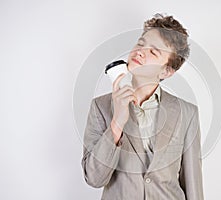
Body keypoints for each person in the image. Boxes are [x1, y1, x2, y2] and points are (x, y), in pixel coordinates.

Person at [81, 13, 204, 200]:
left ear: (167, 71)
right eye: (140, 44)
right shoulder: (101, 106)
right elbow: (94, 179)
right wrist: (117, 123)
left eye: (153, 52)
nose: (140, 51)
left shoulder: (187, 113)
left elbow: (193, 185)